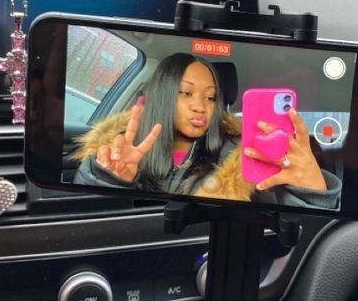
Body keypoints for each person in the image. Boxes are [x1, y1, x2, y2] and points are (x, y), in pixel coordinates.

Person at [72, 52, 341, 210]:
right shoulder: (119, 148)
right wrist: (110, 180)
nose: (200, 107)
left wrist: (313, 192)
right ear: (163, 95)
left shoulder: (241, 157)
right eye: (186, 93)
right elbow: (86, 224)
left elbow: (292, 234)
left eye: (211, 97)